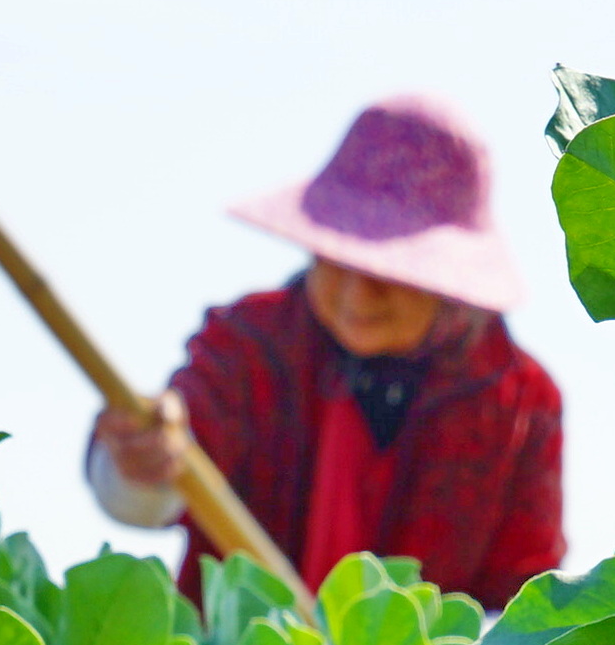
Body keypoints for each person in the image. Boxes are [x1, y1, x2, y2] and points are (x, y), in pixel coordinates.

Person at [88, 94, 563, 608]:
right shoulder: (251, 342)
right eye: (340, 258)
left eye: (387, 271)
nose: (357, 296)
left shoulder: (520, 399)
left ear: (447, 281)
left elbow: (519, 597)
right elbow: (153, 491)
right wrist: (142, 460)